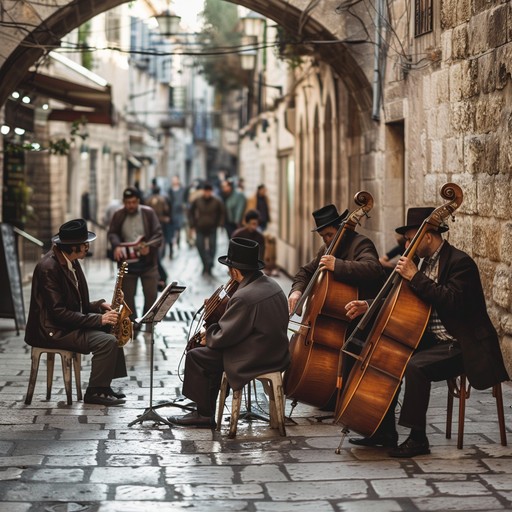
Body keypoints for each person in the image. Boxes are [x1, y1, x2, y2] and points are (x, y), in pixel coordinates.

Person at [345, 207, 509, 457]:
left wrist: (415, 276)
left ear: (429, 236)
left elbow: (451, 301)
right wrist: (367, 305)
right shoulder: (422, 263)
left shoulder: (460, 263)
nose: (407, 244)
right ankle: (384, 431)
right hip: (435, 340)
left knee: (416, 366)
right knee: (390, 355)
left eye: (411, 239)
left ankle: (418, 439)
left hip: (463, 343)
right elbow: (397, 297)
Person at [168, 238, 291, 427]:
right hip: (277, 353)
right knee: (209, 353)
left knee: (197, 356)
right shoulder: (272, 285)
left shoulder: (243, 296)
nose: (228, 273)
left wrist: (208, 335)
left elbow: (223, 336)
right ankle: (204, 404)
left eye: (229, 269)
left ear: (234, 271)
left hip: (256, 357)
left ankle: (203, 414)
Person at [287, 203, 386, 409]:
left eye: (330, 234)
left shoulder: (361, 244)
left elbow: (374, 269)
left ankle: (341, 394)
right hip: (339, 319)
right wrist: (297, 291)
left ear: (342, 227)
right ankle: (328, 392)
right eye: (323, 236)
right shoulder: (327, 248)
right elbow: (305, 272)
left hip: (360, 316)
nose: (327, 240)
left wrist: (337, 265)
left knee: (345, 347)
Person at [25, 219, 127, 406]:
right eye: (85, 244)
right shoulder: (48, 268)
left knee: (113, 329)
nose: (88, 247)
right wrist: (98, 320)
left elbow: (77, 302)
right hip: (52, 329)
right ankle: (95, 391)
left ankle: (103, 385)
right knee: (107, 340)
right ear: (73, 247)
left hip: (65, 324)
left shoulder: (71, 260)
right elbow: (59, 313)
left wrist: (99, 306)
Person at [108, 187, 163, 327]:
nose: (130, 205)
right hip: (127, 265)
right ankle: (133, 325)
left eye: (133, 202)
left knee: (151, 295)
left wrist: (148, 247)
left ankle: (147, 321)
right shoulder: (118, 214)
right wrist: (117, 245)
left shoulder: (148, 213)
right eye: (127, 202)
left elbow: (158, 235)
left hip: (148, 263)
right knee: (127, 298)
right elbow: (112, 233)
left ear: (138, 201)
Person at [188, 182, 225, 276]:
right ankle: (205, 264)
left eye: (209, 191)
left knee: (213, 247)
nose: (207, 193)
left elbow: (222, 212)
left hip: (212, 227)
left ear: (211, 192)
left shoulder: (216, 201)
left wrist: (220, 223)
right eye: (206, 191)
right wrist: (192, 224)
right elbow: (190, 212)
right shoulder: (197, 200)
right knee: (200, 246)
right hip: (200, 227)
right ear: (203, 191)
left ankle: (210, 263)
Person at [145, 184, 171, 290]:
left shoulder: (148, 200)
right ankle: (161, 277)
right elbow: (167, 210)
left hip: (150, 230)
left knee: (155, 256)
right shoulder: (163, 199)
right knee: (157, 255)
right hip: (160, 227)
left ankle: (160, 277)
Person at [167, 175, 187, 258]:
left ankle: (178, 241)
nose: (174, 181)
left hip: (180, 211)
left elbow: (185, 199)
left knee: (179, 227)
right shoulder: (170, 190)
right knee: (172, 229)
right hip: (172, 212)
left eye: (176, 180)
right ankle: (173, 245)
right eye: (173, 180)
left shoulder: (182, 189)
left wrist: (184, 206)